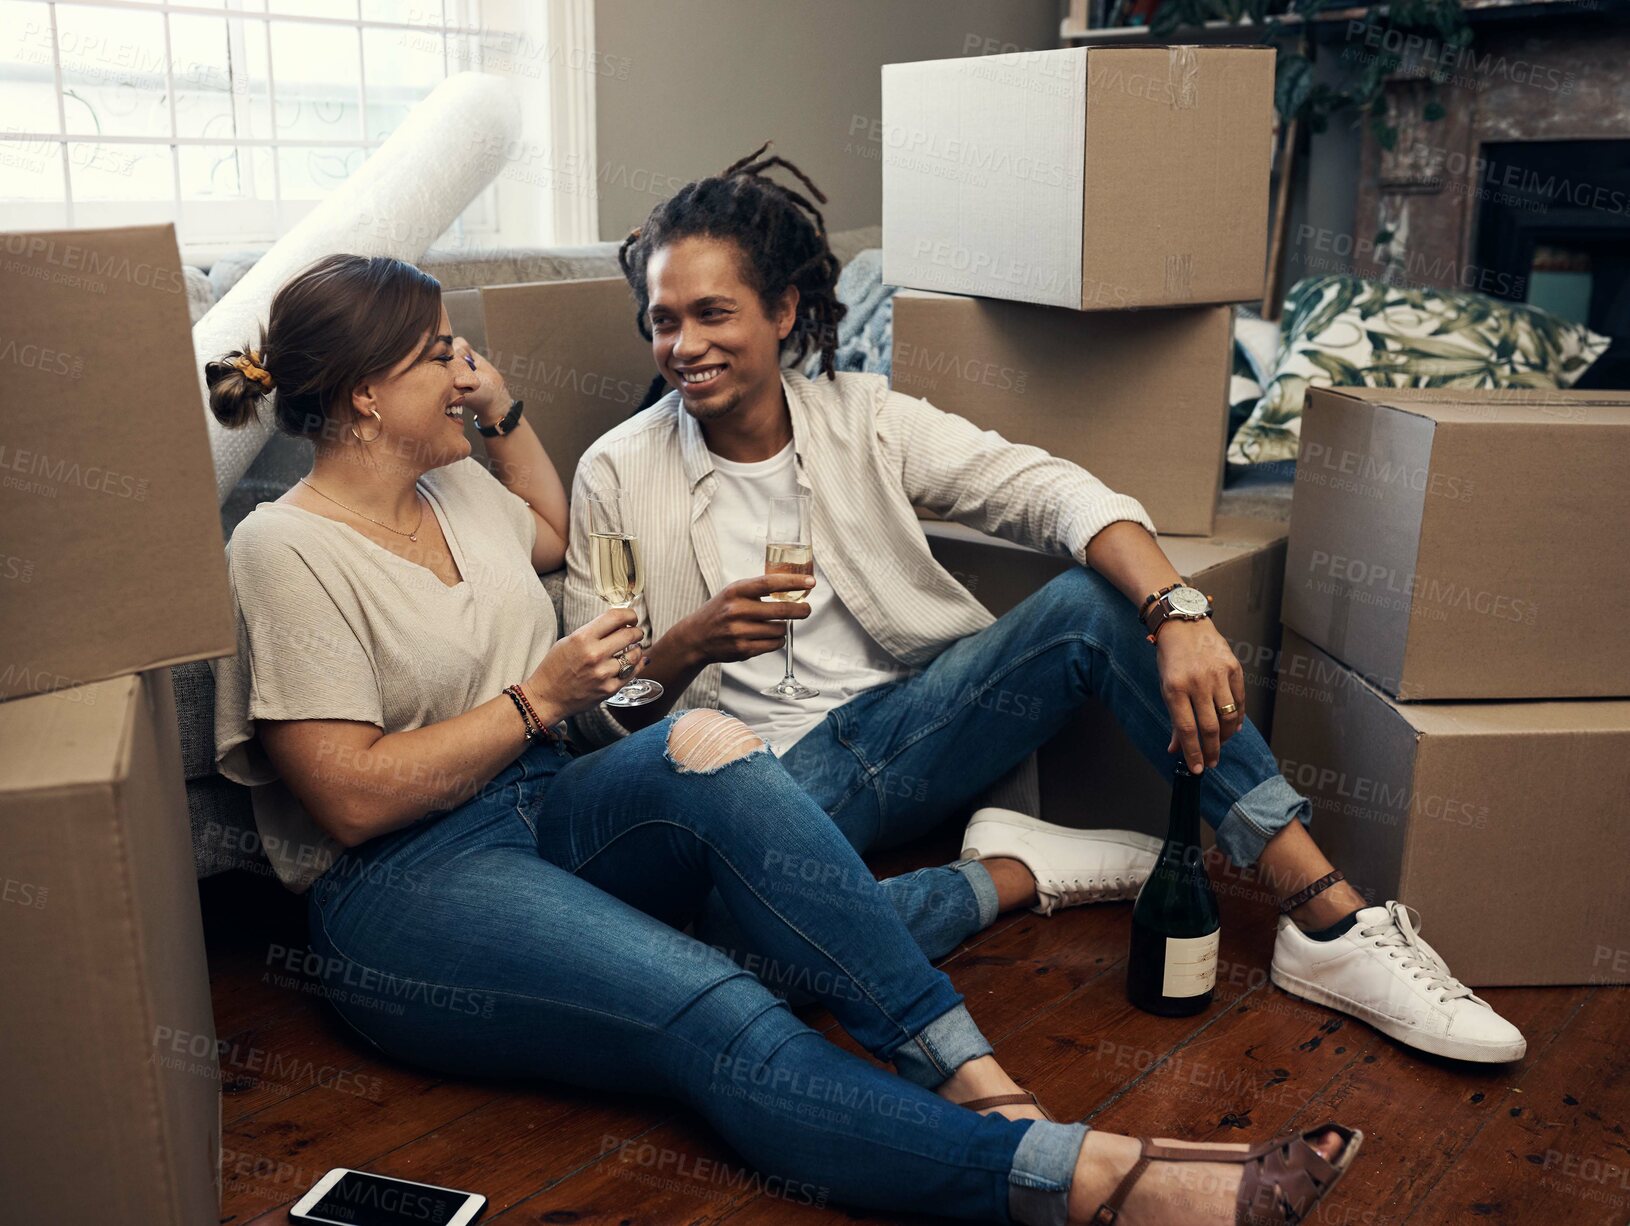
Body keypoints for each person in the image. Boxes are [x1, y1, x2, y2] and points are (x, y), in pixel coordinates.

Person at [206, 252, 1361, 1225]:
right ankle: (1081, 1174)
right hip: (404, 883)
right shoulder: (283, 551)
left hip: (541, 802)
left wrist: (498, 412)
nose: (464, 373)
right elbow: (347, 798)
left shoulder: (455, 490)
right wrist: (537, 699)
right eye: (439, 357)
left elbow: (549, 528)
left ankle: (980, 1081)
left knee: (713, 750)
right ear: (362, 394)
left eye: (465, 350)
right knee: (720, 993)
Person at [563, 144, 1527, 1067]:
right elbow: (594, 716)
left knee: (1091, 604)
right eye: (661, 321)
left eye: (710, 314)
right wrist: (688, 646)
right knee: (725, 957)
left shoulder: (867, 420)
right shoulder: (617, 470)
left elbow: (1054, 493)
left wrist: (1180, 610)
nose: (682, 346)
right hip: (758, 793)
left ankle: (1328, 915)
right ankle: (1015, 873)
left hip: (910, 738)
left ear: (782, 310)